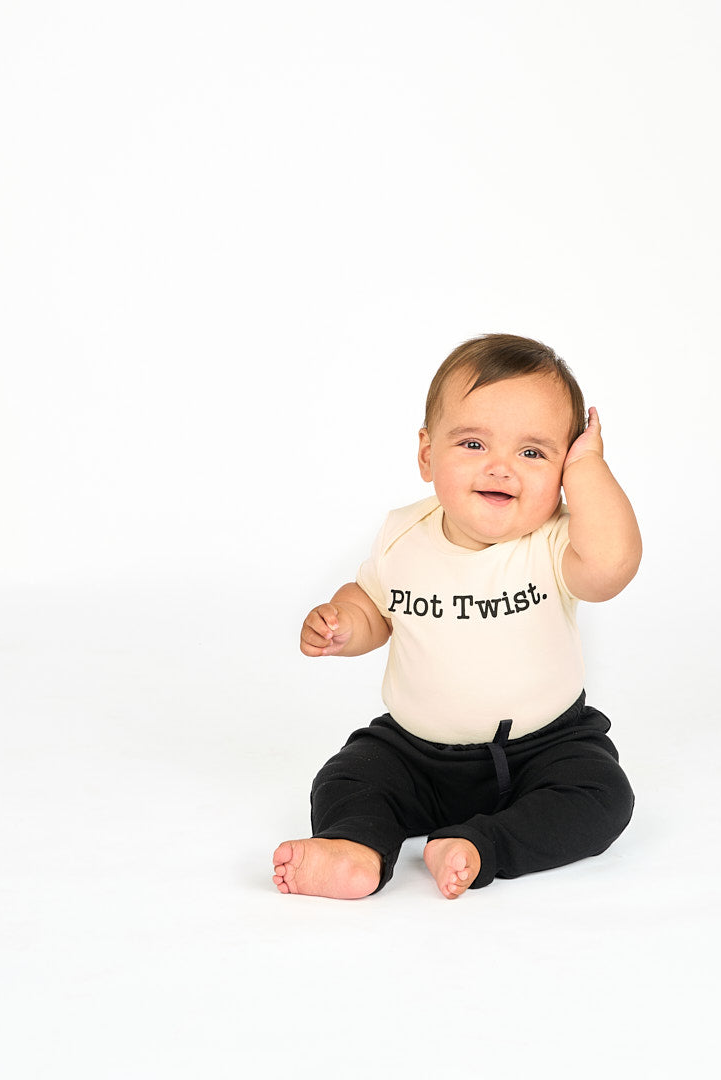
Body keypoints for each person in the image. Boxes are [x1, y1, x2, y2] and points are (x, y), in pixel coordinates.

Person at [273, 333, 641, 899]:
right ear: (427, 453)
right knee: (349, 776)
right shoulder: (403, 536)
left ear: (563, 468)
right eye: (473, 444)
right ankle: (357, 848)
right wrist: (344, 623)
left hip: (545, 747)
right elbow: (374, 603)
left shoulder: (554, 543)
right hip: (417, 751)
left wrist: (589, 468)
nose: (501, 468)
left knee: (602, 795)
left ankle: (480, 844)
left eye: (533, 453)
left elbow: (614, 565)